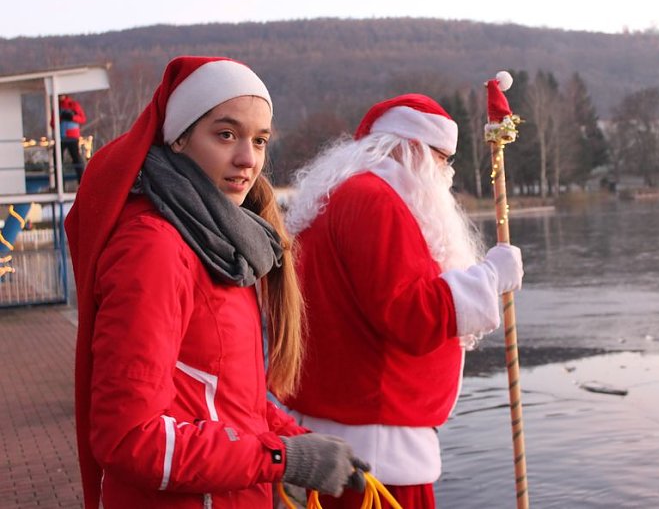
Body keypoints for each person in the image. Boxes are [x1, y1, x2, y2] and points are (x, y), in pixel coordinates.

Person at [65, 56, 367, 509]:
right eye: (226, 134)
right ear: (180, 138)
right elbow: (128, 437)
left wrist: (303, 442)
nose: (248, 159)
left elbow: (227, 398)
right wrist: (281, 458)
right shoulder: (156, 248)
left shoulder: (221, 245)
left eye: (260, 140)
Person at [283, 93, 525, 508]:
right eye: (440, 158)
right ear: (412, 149)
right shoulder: (375, 200)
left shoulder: (337, 198)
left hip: (337, 434)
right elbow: (408, 313)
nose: (445, 173)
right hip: (376, 452)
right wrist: (490, 278)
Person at [58, 93, 87, 182]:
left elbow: (82, 118)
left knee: (76, 158)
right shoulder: (58, 107)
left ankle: (81, 180)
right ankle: (59, 182)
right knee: (58, 159)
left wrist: (71, 117)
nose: (60, 97)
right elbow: (53, 122)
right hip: (61, 136)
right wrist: (60, 119)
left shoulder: (73, 105)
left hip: (72, 136)